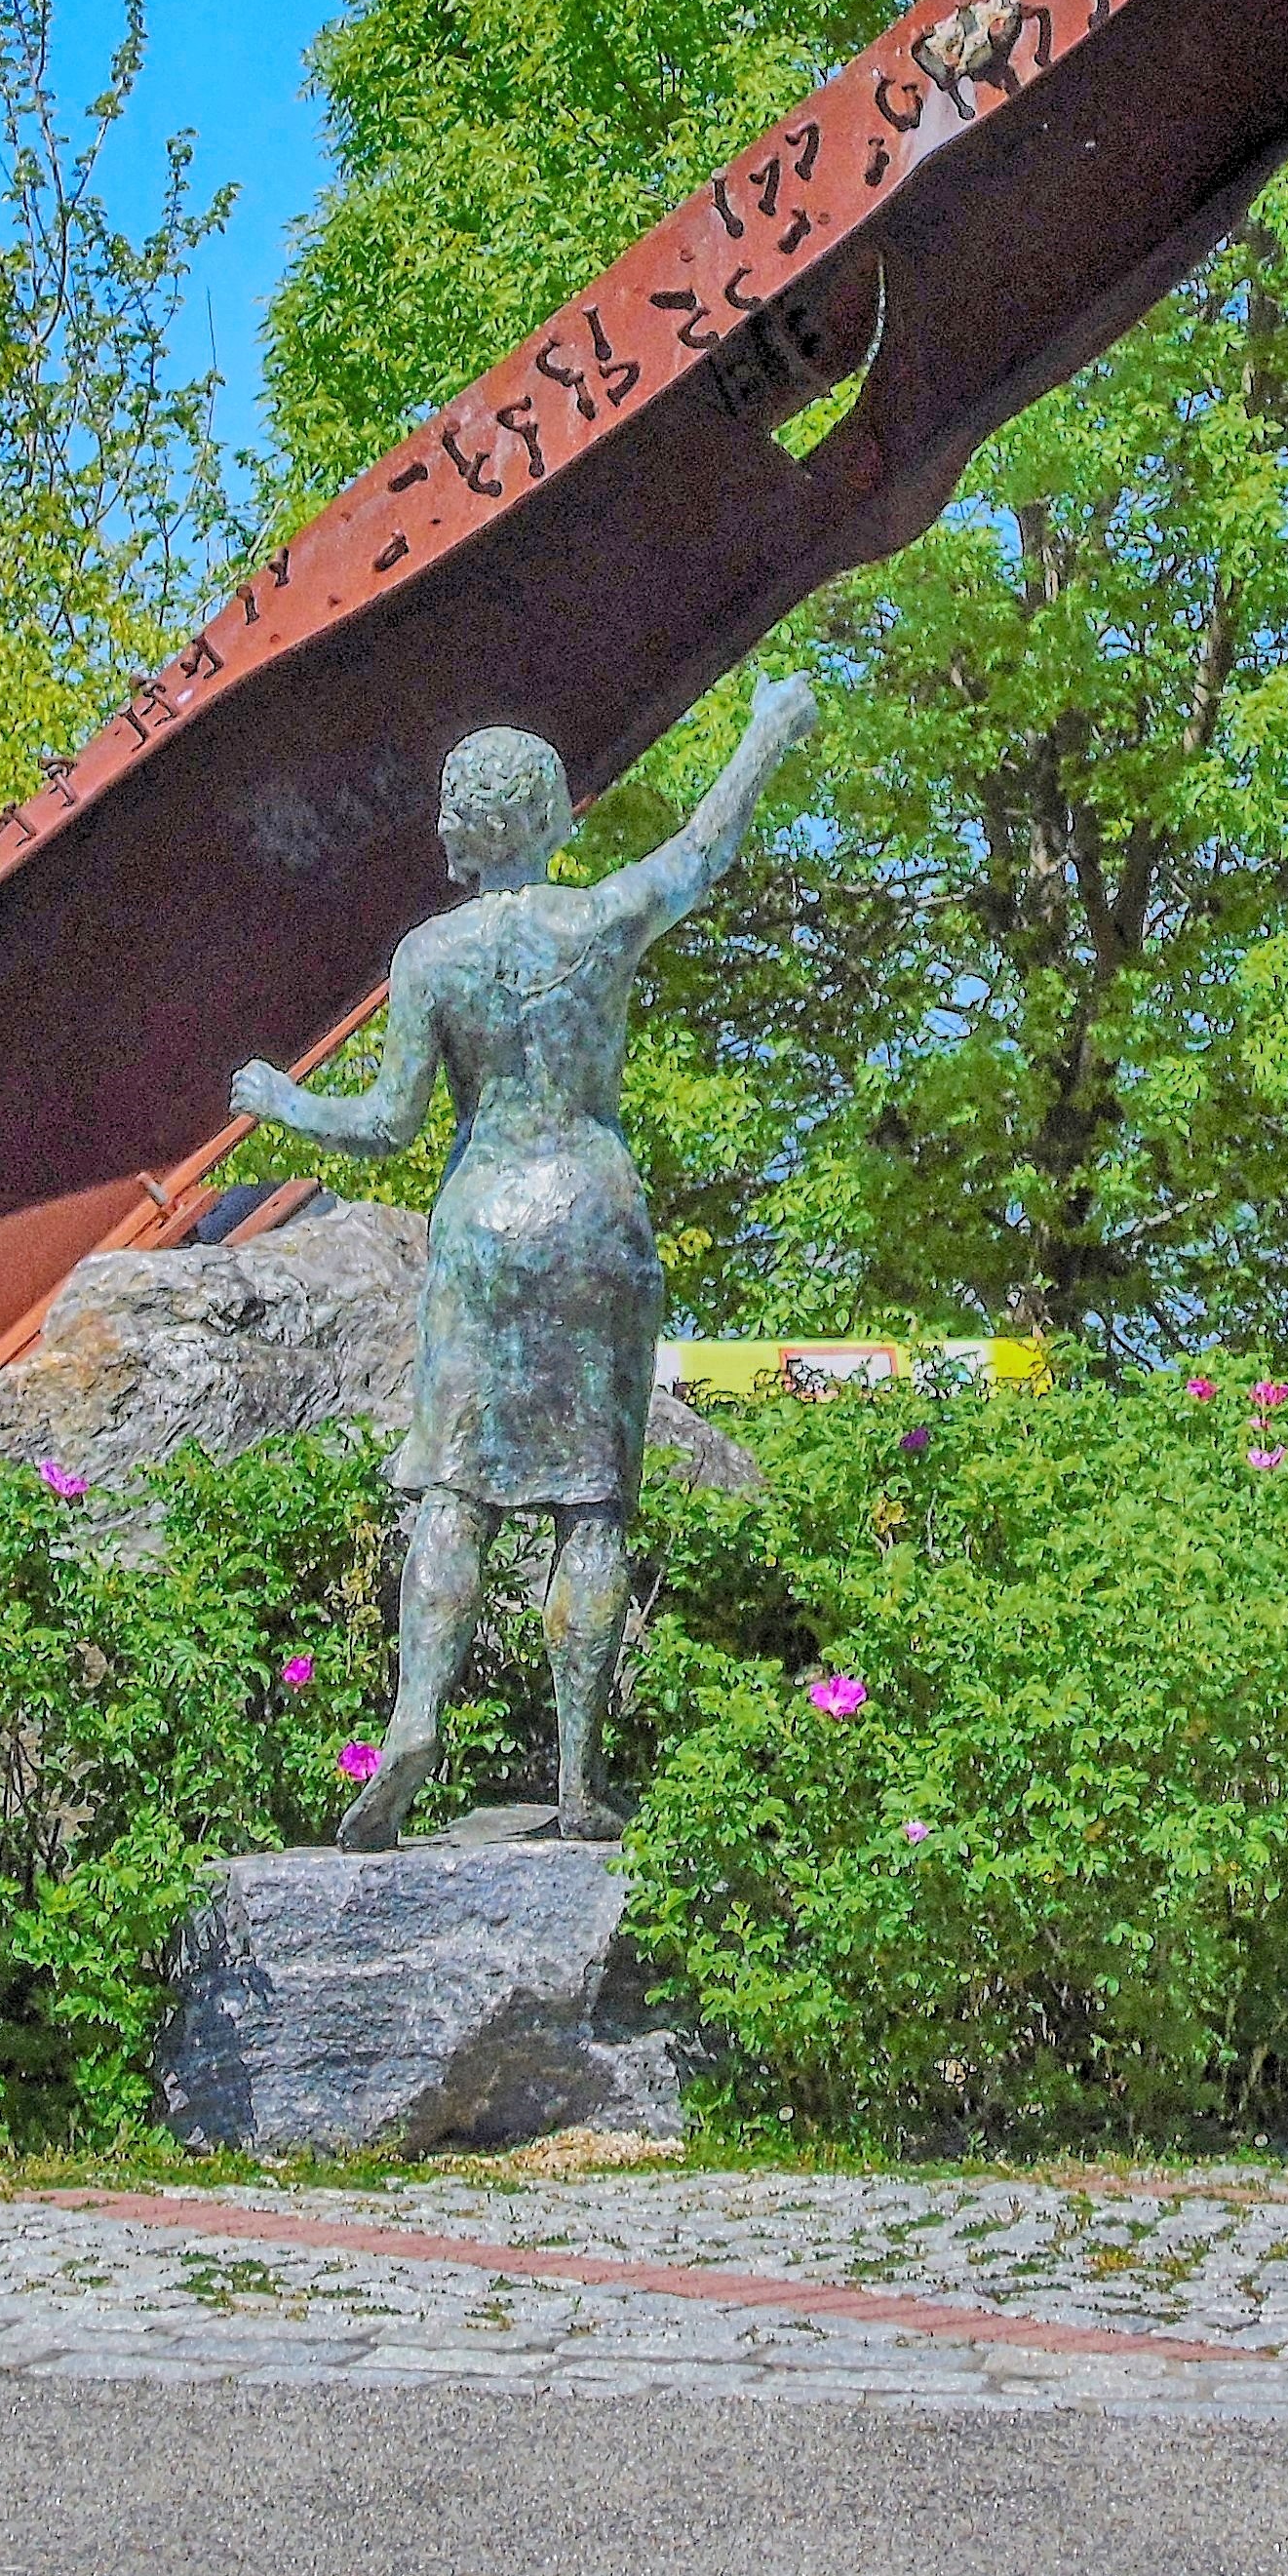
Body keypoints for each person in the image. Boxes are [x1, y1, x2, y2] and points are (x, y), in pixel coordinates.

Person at [231, 674, 822, 1845]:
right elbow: (702, 851)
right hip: (592, 1216)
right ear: (550, 819)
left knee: (452, 1494)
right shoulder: (599, 921)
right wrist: (765, 732)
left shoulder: (430, 956)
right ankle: (576, 1781)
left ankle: (414, 1715)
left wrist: (285, 1103)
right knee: (589, 1509)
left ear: (465, 829)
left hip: (481, 1221)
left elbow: (388, 1125)